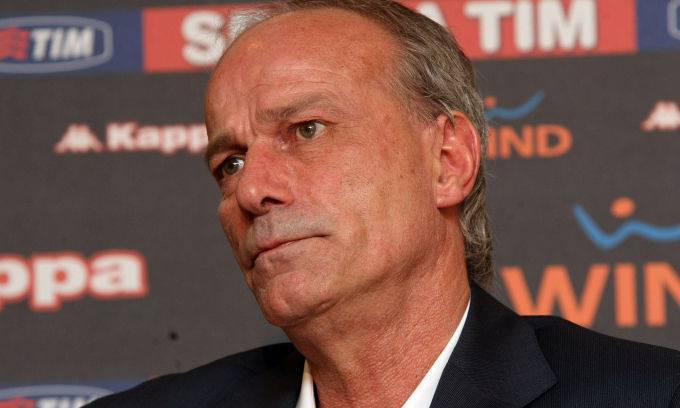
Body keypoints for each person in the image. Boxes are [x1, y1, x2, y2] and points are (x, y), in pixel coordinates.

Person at [89, 0, 680, 407]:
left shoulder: (649, 395)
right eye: (231, 163)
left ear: (447, 162)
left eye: (306, 129)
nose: (250, 190)